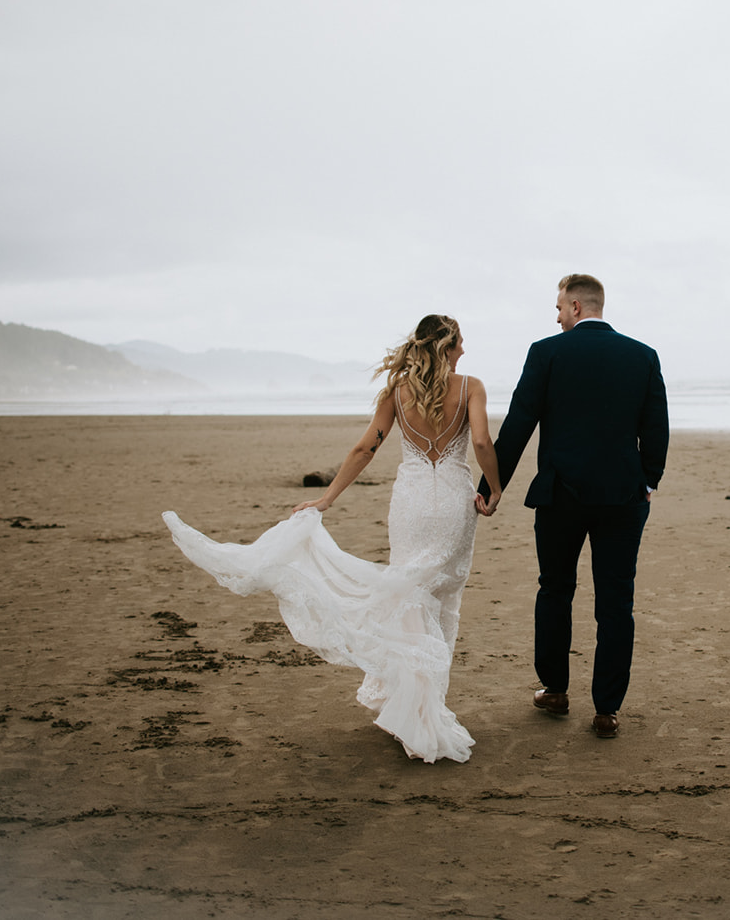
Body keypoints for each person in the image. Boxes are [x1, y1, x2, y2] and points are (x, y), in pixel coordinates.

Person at [163, 314, 502, 763]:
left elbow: (365, 448)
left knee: (409, 596)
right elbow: (480, 442)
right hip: (454, 503)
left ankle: (413, 707)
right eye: (461, 341)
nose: (466, 348)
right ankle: (426, 708)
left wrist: (327, 499)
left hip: (412, 503)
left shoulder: (398, 393)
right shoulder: (470, 387)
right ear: (450, 344)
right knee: (443, 601)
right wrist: (493, 489)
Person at [480, 274, 669, 739]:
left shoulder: (546, 352)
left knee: (555, 589)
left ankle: (556, 690)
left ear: (578, 306)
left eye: (560, 307)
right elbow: (657, 427)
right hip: (624, 498)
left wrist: (492, 484)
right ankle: (607, 709)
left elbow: (520, 422)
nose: (557, 315)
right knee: (616, 602)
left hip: (561, 495)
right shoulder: (643, 356)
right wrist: (649, 480)